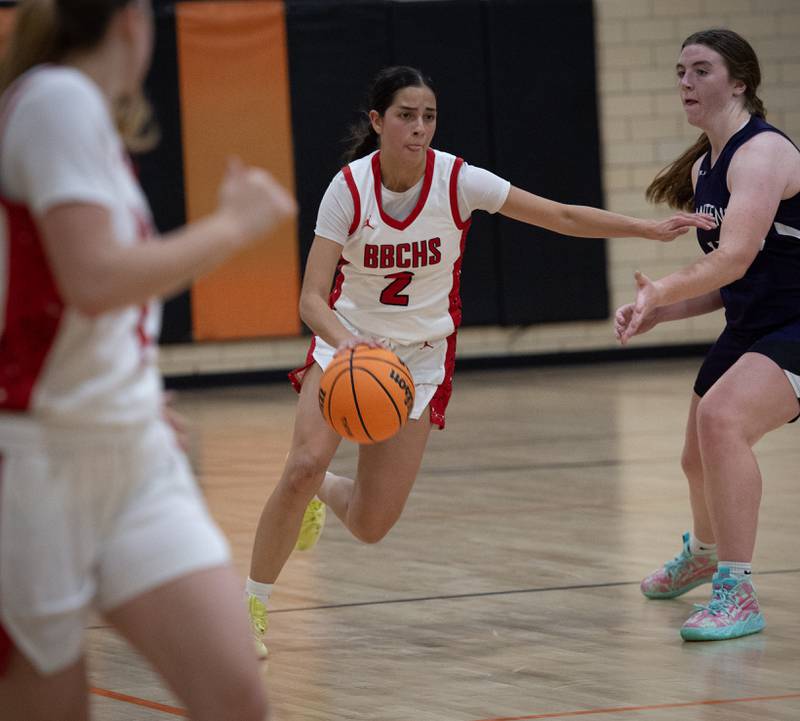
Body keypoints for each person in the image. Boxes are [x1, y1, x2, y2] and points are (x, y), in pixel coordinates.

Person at [246, 65, 715, 657]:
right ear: (377, 120)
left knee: (369, 525)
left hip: (418, 362)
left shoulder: (458, 181)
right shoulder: (349, 188)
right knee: (301, 465)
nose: (419, 128)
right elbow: (311, 299)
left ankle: (323, 492)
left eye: (429, 116)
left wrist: (648, 230)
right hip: (348, 344)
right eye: (406, 115)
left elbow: (560, 215)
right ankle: (250, 606)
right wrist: (348, 345)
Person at [0, 1, 295, 719]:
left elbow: (81, 302)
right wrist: (232, 224)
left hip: (132, 455)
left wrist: (127, 390)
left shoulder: (88, 121)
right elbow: (94, 278)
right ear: (134, 20)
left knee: (235, 695)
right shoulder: (55, 99)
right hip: (41, 468)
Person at [615, 29, 800, 641]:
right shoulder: (705, 167)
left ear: (738, 82)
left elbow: (737, 257)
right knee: (697, 456)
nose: (685, 83)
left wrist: (660, 288)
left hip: (796, 324)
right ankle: (703, 552)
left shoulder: (764, 155)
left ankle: (737, 591)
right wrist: (659, 313)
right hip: (752, 322)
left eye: (700, 70)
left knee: (722, 420)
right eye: (680, 72)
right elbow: (732, 282)